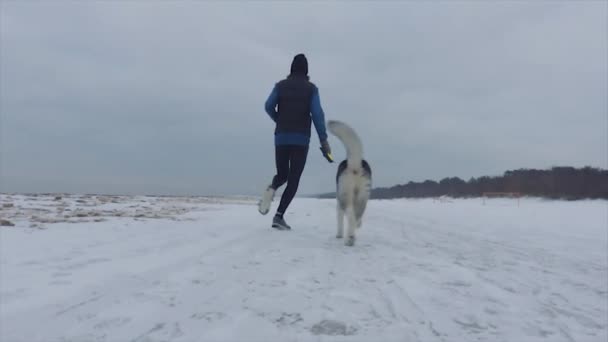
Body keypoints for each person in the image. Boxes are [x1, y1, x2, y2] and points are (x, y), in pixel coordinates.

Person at [258, 53, 333, 230]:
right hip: (301, 139)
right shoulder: (311, 89)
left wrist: (279, 120)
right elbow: (317, 114)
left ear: (291, 68)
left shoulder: (280, 86)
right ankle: (279, 216)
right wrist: (324, 140)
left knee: (282, 175)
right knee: (293, 180)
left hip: (281, 138)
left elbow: (268, 106)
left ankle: (272, 188)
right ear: (306, 70)